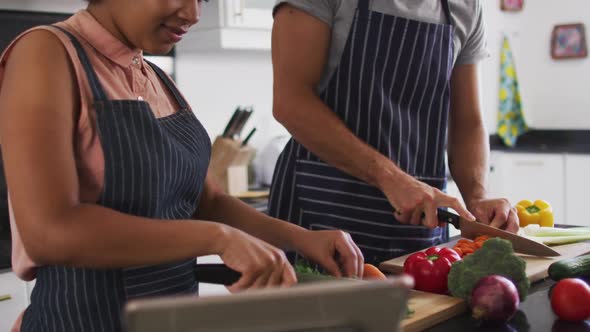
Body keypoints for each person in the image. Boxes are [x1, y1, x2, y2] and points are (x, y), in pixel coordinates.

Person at [0, 0, 366, 331]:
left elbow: (208, 201)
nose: (193, 14)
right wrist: (216, 238)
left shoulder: (156, 77)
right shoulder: (46, 53)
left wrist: (300, 239)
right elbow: (48, 232)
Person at [268, 0, 520, 265]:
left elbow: (466, 122)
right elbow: (291, 102)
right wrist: (392, 179)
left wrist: (478, 197)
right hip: (319, 217)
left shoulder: (465, 6)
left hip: (417, 230)